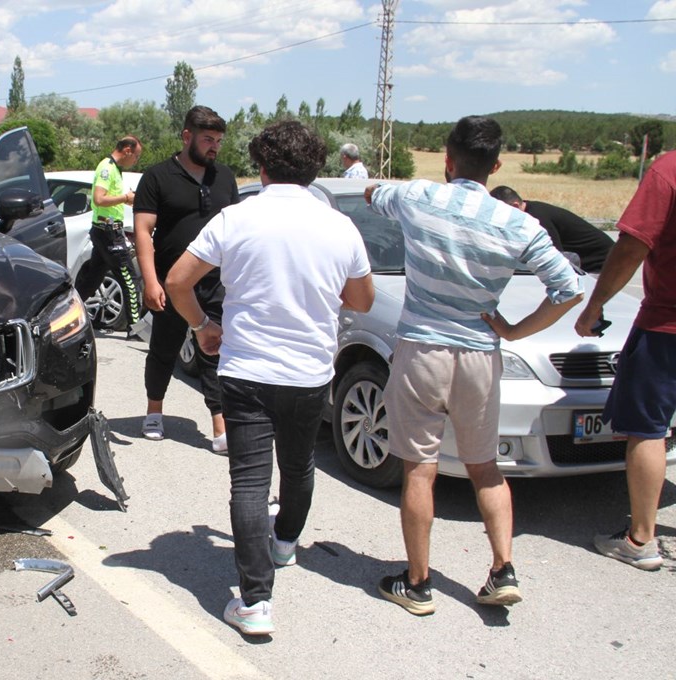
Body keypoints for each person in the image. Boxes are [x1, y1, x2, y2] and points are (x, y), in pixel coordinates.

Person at [366, 115, 583, 615]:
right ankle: (502, 568)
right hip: (480, 355)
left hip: (422, 351)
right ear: (497, 165)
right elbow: (568, 289)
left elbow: (377, 193)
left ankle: (417, 585)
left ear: (447, 158)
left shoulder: (419, 197)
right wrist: (514, 330)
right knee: (486, 469)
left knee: (419, 471)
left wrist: (382, 186)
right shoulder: (519, 222)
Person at [167, 121, 374, 635]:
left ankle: (255, 602)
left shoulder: (236, 217)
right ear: (314, 170)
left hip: (247, 370)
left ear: (260, 166)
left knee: (249, 483)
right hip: (308, 373)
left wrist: (202, 326)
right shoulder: (338, 225)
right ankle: (285, 544)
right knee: (300, 465)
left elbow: (176, 280)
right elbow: (363, 301)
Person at [575, 151, 676, 571]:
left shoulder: (668, 170)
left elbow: (634, 243)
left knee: (647, 428)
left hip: (667, 326)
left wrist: (595, 303)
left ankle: (640, 539)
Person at [133, 106, 238, 453]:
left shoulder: (224, 177)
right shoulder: (158, 176)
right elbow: (144, 232)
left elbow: (237, 231)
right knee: (163, 350)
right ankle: (154, 412)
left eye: (219, 141)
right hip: (170, 282)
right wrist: (150, 281)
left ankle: (220, 426)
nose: (214, 147)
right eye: (208, 139)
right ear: (186, 136)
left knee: (215, 351)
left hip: (215, 283)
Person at [76, 136, 143, 329]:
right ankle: (135, 327)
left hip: (105, 230)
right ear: (127, 150)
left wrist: (126, 198)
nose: (135, 161)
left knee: (93, 279)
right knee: (130, 278)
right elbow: (99, 199)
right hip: (108, 232)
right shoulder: (107, 168)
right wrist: (125, 197)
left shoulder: (115, 169)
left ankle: (71, 314)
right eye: (136, 156)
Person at [489, 185, 614, 272]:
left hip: (602, 263)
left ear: (515, 206)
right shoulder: (529, 212)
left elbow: (554, 256)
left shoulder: (537, 218)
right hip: (584, 260)